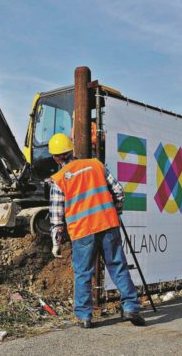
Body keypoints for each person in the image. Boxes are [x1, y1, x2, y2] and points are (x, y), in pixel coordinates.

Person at [48, 133, 145, 329]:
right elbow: (118, 191)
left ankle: (85, 316)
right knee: (118, 266)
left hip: (83, 231)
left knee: (83, 272)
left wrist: (56, 243)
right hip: (108, 225)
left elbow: (56, 218)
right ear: (71, 150)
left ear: (55, 157)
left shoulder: (58, 180)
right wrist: (115, 212)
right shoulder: (96, 165)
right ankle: (131, 307)